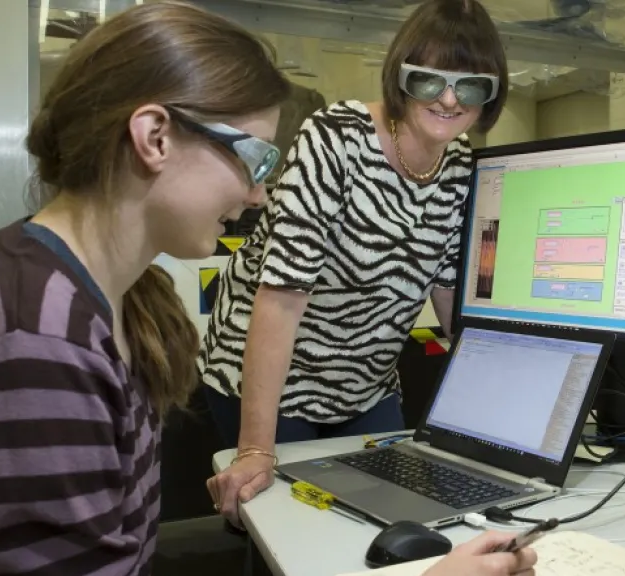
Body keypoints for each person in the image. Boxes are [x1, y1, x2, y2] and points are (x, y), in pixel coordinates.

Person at [0, 3, 535, 576]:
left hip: (359, 383)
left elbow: (84, 554)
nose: (260, 197)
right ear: (155, 136)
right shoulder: (38, 347)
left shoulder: (103, 300)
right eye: (253, 156)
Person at [201, 0, 508, 527]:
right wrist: (255, 449)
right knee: (290, 528)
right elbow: (280, 300)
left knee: (384, 521)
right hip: (273, 376)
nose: (451, 98)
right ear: (401, 76)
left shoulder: (459, 166)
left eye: (471, 85)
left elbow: (450, 300)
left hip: (365, 383)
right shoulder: (335, 138)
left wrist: (506, 412)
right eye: (430, 81)